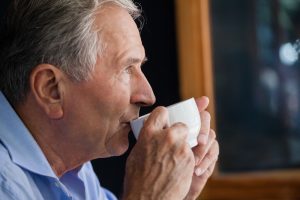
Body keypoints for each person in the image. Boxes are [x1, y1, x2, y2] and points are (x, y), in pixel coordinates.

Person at [0, 0, 219, 199]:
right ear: (52, 90)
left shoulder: (76, 171)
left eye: (139, 67)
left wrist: (176, 192)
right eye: (126, 69)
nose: (148, 96)